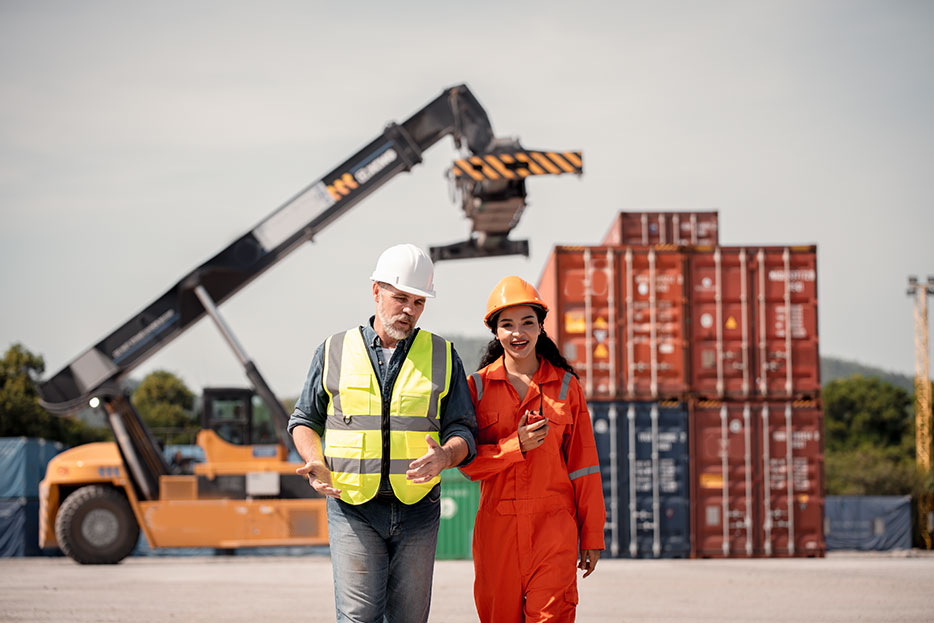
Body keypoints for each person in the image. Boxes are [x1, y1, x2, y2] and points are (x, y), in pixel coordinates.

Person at [288, 243, 478, 623]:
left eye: (419, 302)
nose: (409, 310)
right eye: (401, 297)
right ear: (376, 290)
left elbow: (464, 428)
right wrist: (314, 459)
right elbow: (305, 419)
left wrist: (446, 454)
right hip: (352, 506)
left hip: (418, 510)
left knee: (409, 618)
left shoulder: (443, 355)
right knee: (358, 617)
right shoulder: (333, 351)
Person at [460, 275, 605, 623]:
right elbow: (467, 465)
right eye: (507, 324)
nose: (517, 333)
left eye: (527, 322)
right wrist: (516, 445)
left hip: (554, 530)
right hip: (498, 534)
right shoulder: (476, 388)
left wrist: (593, 534)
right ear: (495, 332)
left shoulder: (566, 387)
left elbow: (584, 466)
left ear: (541, 327)